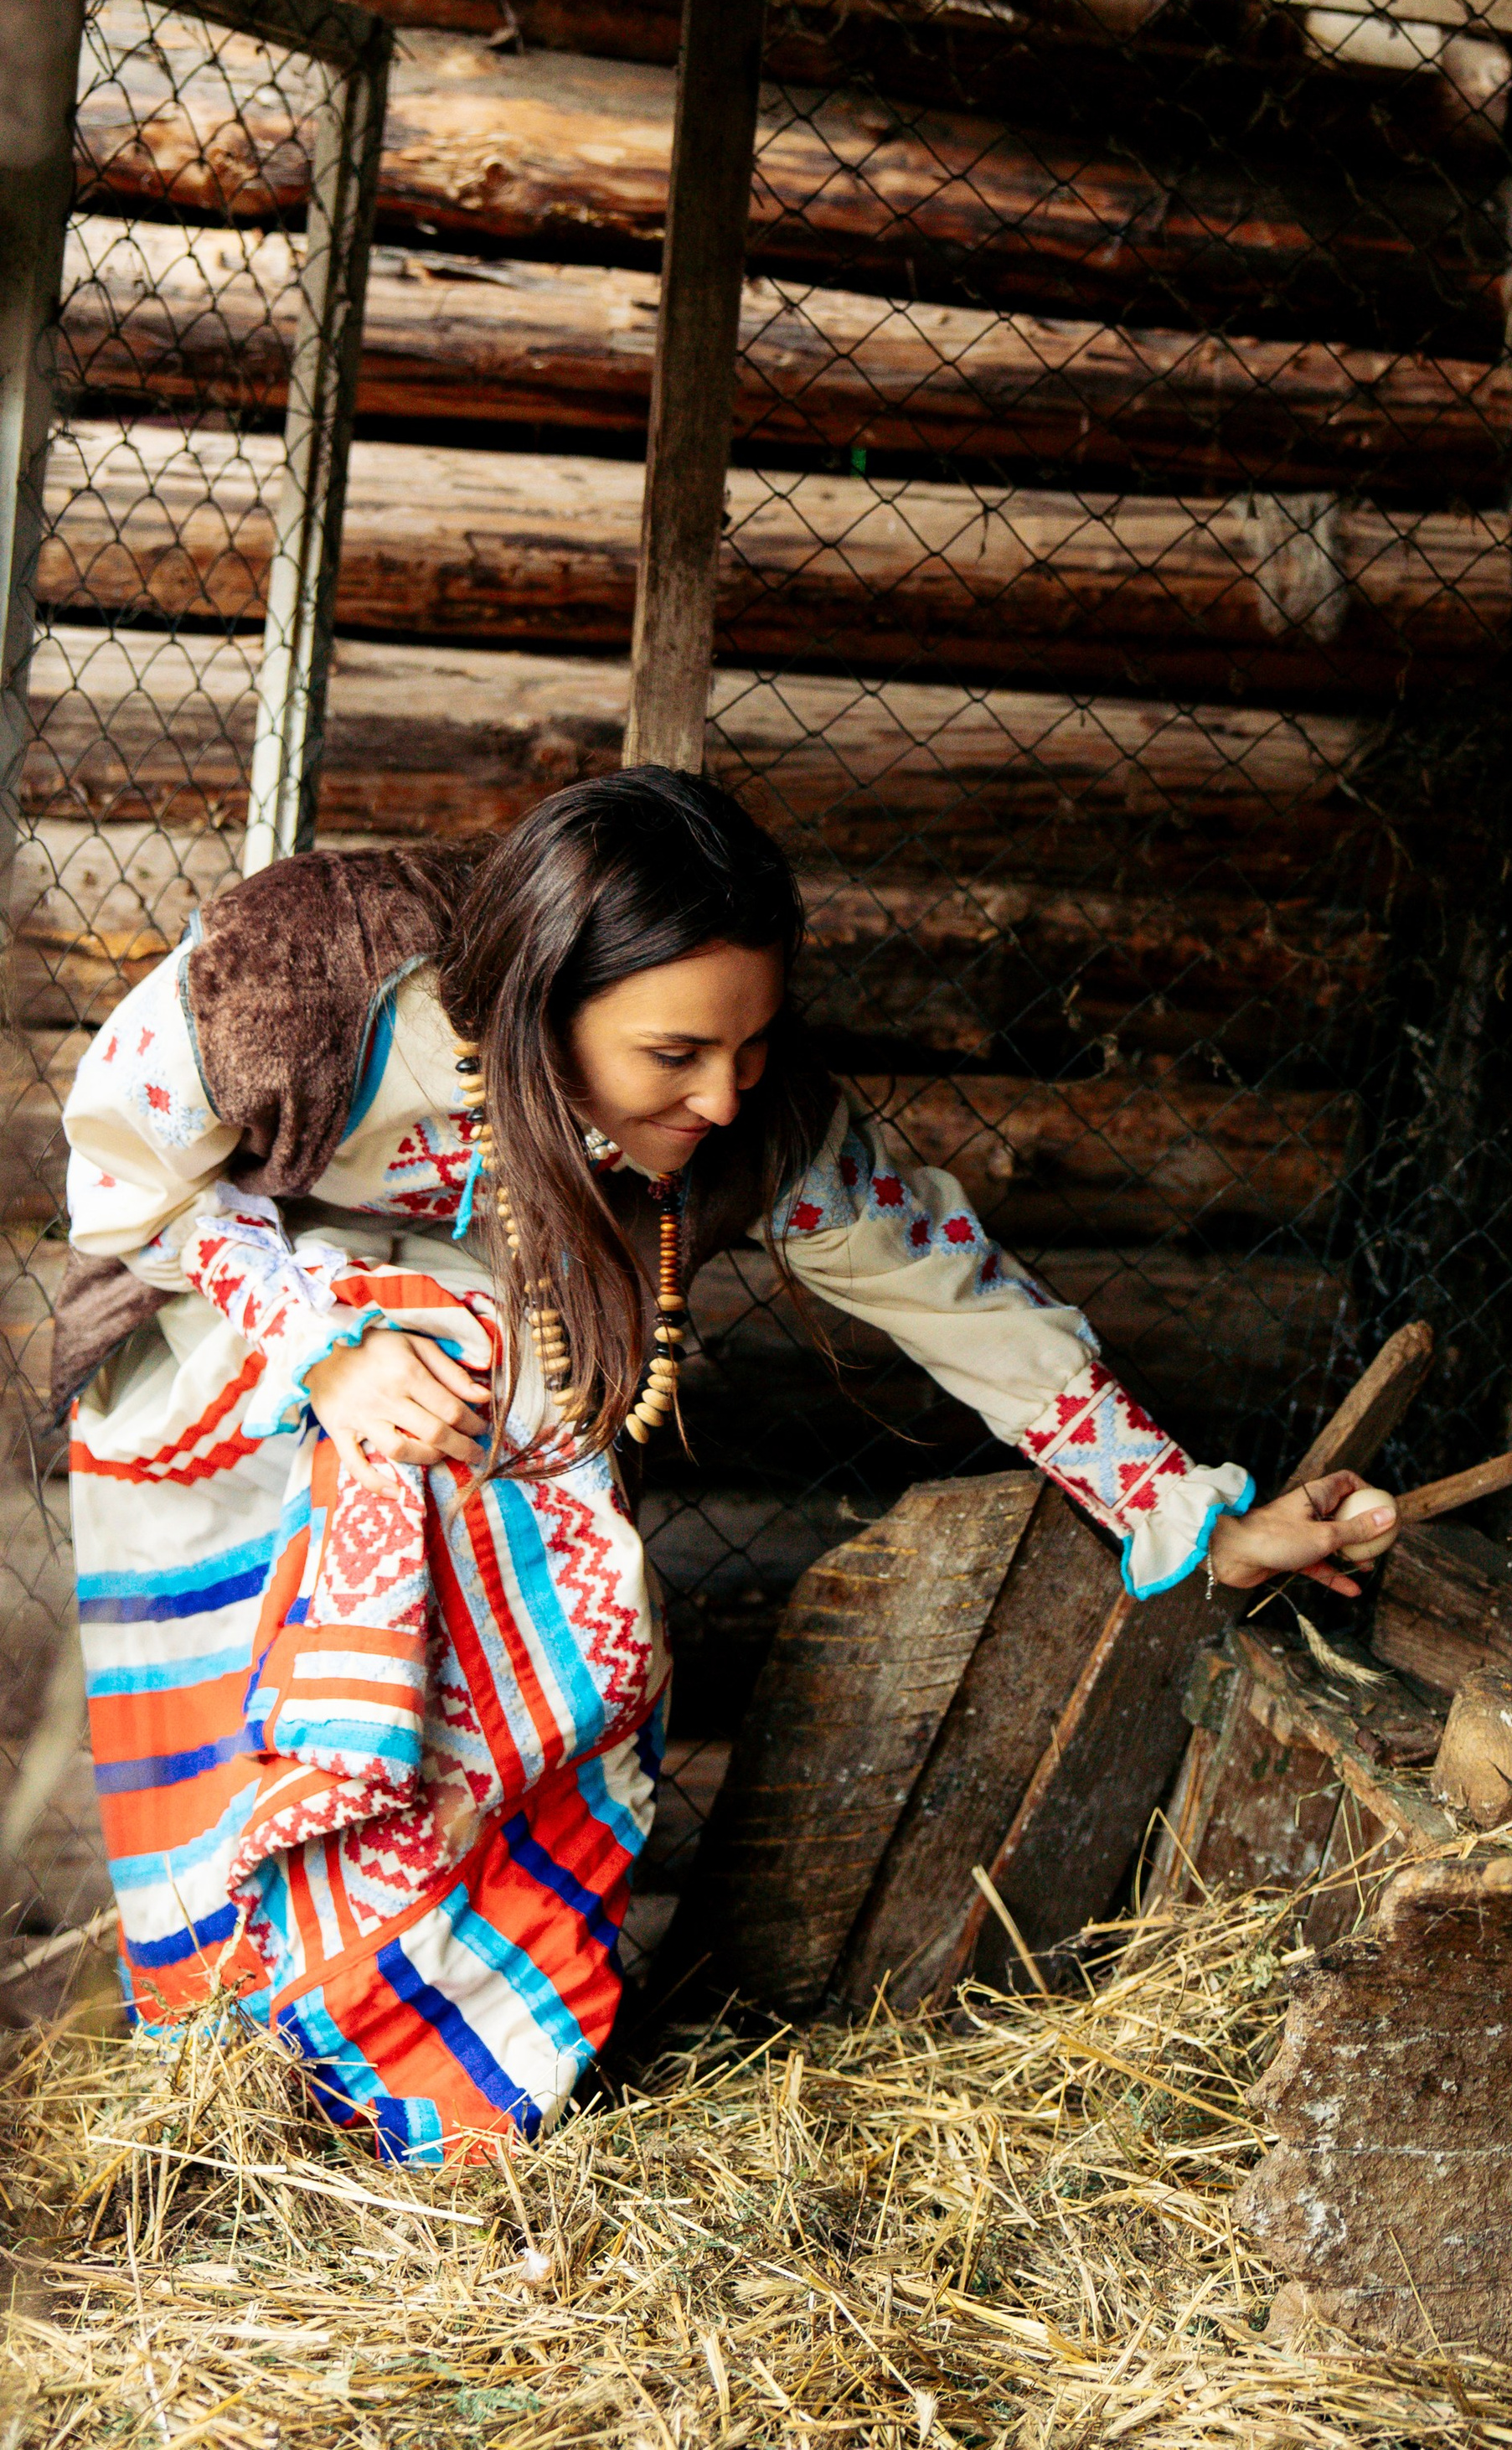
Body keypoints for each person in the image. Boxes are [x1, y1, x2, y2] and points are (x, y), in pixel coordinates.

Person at [58, 769, 1393, 2161]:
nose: (721, 1094)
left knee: (520, 1497)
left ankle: (438, 2094)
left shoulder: (756, 1117)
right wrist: (323, 1346)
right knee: (436, 1397)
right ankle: (233, 2064)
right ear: (539, 1008)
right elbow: (123, 1178)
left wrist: (1189, 1512)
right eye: (675, 1052)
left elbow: (956, 1296)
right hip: (216, 1372)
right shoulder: (314, 973)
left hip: (471, 1435)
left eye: (750, 1046)